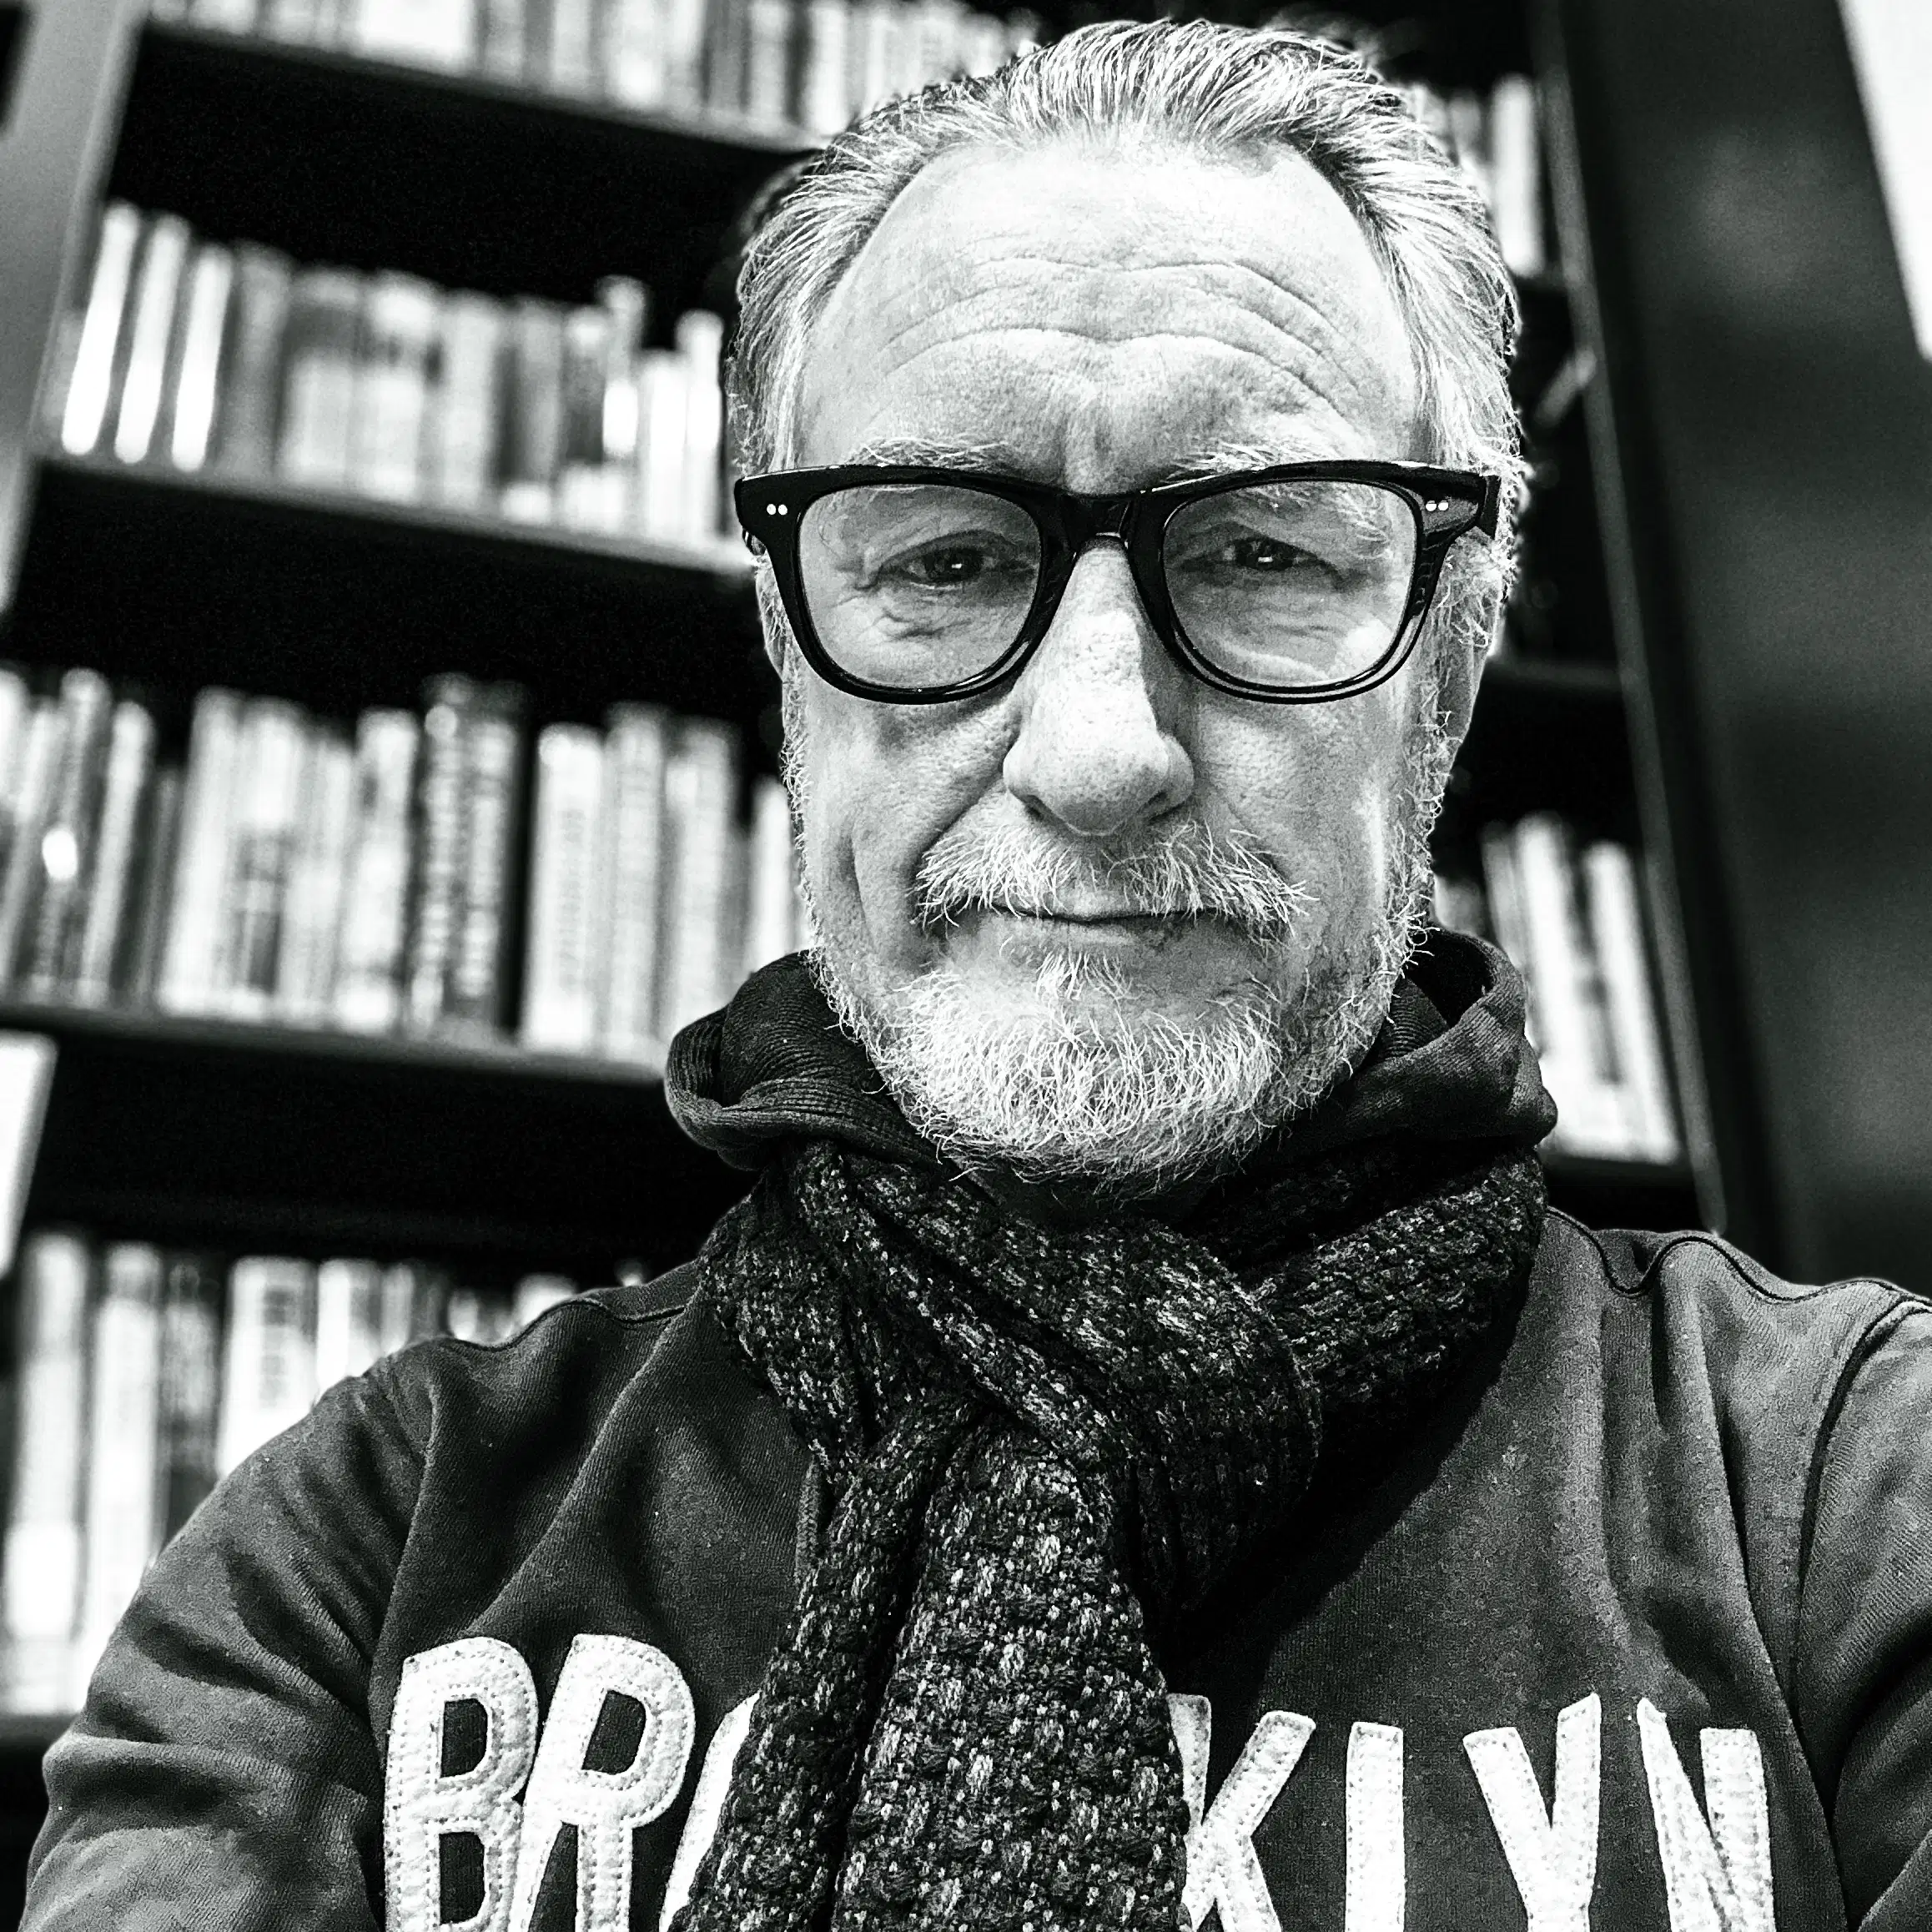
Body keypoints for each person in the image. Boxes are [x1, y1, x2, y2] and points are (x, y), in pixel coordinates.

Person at [20, 20, 1932, 1932]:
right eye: (938, 562)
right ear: (786, 646)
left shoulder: (1850, 1486)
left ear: (1450, 660)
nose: (1098, 751)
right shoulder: (360, 1549)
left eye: (1267, 550)